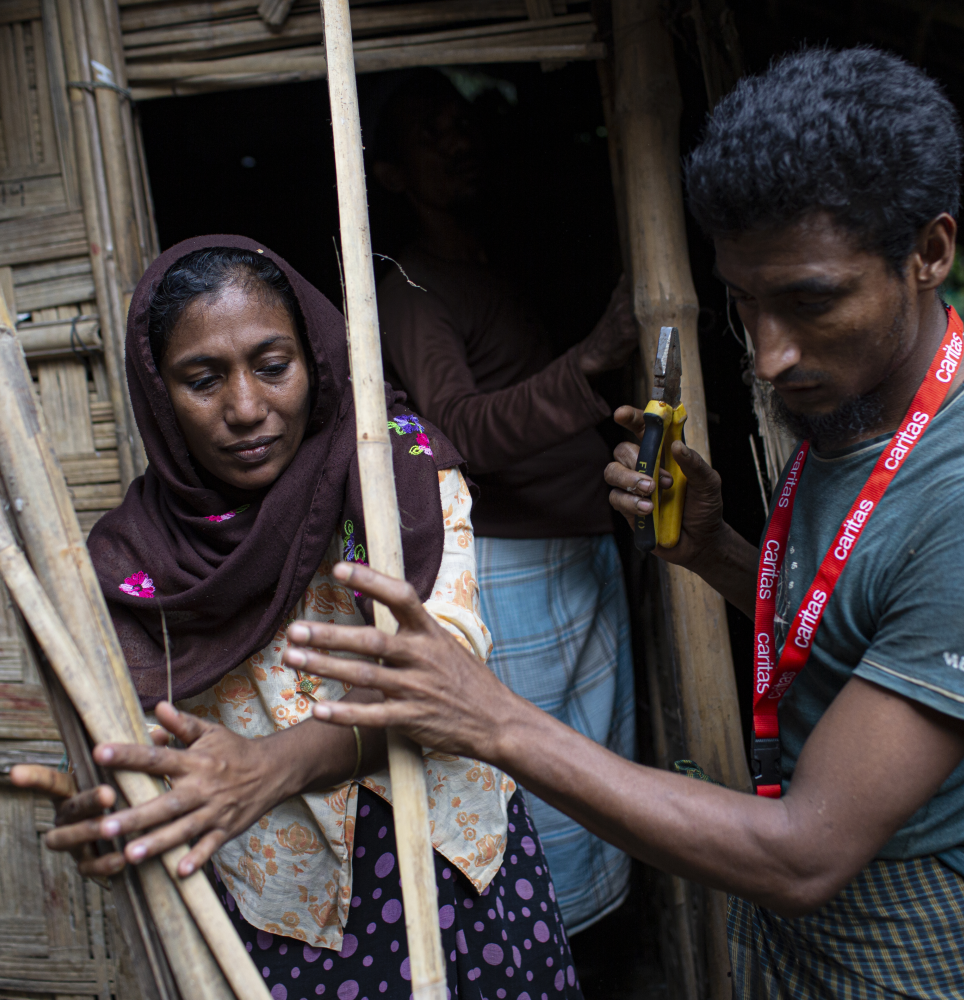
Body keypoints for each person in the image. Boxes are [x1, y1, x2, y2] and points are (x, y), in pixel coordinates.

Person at [273, 49, 964, 999]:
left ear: (929, 251)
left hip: (929, 953)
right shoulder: (861, 415)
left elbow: (802, 854)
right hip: (816, 941)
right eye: (744, 305)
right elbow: (856, 639)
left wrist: (491, 717)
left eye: (809, 301)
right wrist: (715, 554)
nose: (769, 353)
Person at [11, 235, 582, 1000]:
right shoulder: (132, 563)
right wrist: (124, 809)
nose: (246, 409)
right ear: (158, 395)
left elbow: (448, 672)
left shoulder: (402, 472)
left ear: (315, 357)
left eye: (273, 366)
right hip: (284, 906)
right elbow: (140, 754)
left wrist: (265, 765)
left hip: (455, 859)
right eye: (202, 379)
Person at [369, 71, 640, 932]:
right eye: (430, 132)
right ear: (390, 175)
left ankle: (592, 935)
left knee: (595, 761)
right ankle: (544, 951)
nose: (458, 140)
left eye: (461, 122)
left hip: (579, 541)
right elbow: (462, 430)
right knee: (545, 783)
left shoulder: (484, 259)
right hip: (517, 562)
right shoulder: (410, 284)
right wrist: (595, 357)